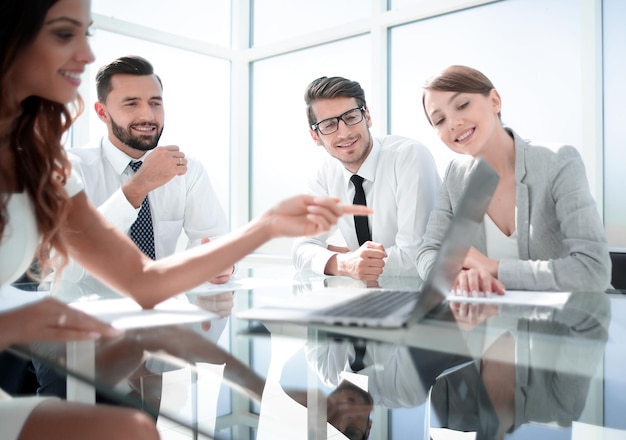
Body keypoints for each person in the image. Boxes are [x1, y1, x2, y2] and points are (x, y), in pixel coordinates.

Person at [0, 0, 369, 438]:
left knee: (142, 426)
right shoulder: (74, 164)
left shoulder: (47, 164)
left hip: (113, 328)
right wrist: (137, 188)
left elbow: (144, 278)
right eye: (65, 34)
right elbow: (74, 271)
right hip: (51, 342)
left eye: (155, 102)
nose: (85, 53)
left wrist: (266, 225)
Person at [416, 64, 611, 295]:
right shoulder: (455, 175)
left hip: (573, 321)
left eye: (462, 105)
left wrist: (493, 269)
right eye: (439, 120)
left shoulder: (557, 161)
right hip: (494, 322)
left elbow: (592, 270)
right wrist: (459, 277)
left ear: (494, 101)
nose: (453, 123)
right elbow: (428, 252)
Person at [59, 54, 232, 286]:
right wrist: (135, 189)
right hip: (88, 315)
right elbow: (65, 267)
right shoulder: (71, 170)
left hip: (164, 309)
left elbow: (213, 239)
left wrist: (221, 263)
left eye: (155, 103)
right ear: (102, 112)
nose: (148, 116)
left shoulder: (188, 170)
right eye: (131, 103)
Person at [292, 76, 441, 281]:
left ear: (367, 116)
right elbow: (301, 248)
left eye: (351, 117)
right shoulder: (324, 174)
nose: (344, 133)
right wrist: (344, 263)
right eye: (328, 124)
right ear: (315, 136)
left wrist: (348, 259)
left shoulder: (409, 156)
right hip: (366, 298)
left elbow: (415, 258)